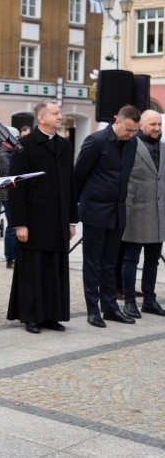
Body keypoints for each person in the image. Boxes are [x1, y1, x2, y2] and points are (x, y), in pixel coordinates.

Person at [7, 99, 78, 334]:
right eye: (56, 113)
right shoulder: (24, 146)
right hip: (34, 220)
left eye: (60, 113)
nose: (60, 117)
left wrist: (71, 219)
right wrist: (19, 224)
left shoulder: (65, 145)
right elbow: (16, 188)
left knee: (54, 269)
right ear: (41, 117)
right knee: (33, 270)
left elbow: (70, 184)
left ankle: (51, 315)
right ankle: (31, 316)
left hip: (57, 220)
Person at [75, 105, 141, 328]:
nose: (131, 135)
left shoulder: (132, 143)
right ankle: (93, 310)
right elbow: (79, 174)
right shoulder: (96, 141)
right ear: (117, 121)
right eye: (128, 130)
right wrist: (78, 207)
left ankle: (110, 307)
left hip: (117, 211)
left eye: (135, 131)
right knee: (93, 263)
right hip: (95, 211)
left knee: (111, 263)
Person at [122, 110, 165, 318]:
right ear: (141, 126)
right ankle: (129, 301)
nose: (157, 128)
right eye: (152, 124)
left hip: (158, 214)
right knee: (131, 259)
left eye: (159, 124)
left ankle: (149, 300)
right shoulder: (131, 146)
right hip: (135, 212)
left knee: (153, 260)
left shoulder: (164, 148)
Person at [0, 126, 20, 268]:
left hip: (14, 193)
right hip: (8, 194)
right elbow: (10, 171)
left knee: (15, 224)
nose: (17, 141)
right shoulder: (3, 152)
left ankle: (16, 255)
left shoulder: (11, 151)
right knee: (12, 226)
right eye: (16, 138)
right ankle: (10, 257)